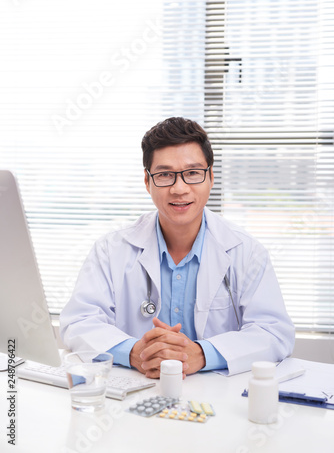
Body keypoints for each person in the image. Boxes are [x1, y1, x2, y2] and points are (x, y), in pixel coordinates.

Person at [60, 117, 295, 378]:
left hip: (217, 400)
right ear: (148, 182)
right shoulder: (110, 250)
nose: (179, 188)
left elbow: (273, 331)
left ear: (211, 177)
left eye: (193, 173)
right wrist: (134, 352)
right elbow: (79, 322)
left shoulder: (247, 252)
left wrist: (202, 354)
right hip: (135, 392)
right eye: (164, 175)